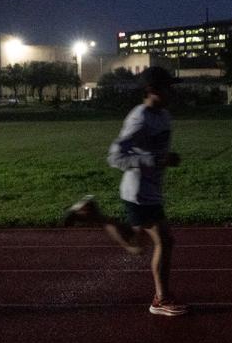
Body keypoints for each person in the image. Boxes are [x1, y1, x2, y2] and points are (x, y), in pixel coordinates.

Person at [64, 66, 188, 317]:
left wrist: (163, 158)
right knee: (165, 240)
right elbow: (115, 157)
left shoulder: (164, 115)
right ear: (152, 90)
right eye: (167, 87)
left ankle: (91, 214)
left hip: (150, 190)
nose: (172, 91)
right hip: (138, 192)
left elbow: (154, 152)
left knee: (135, 245)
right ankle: (161, 298)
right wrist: (155, 160)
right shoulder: (138, 117)